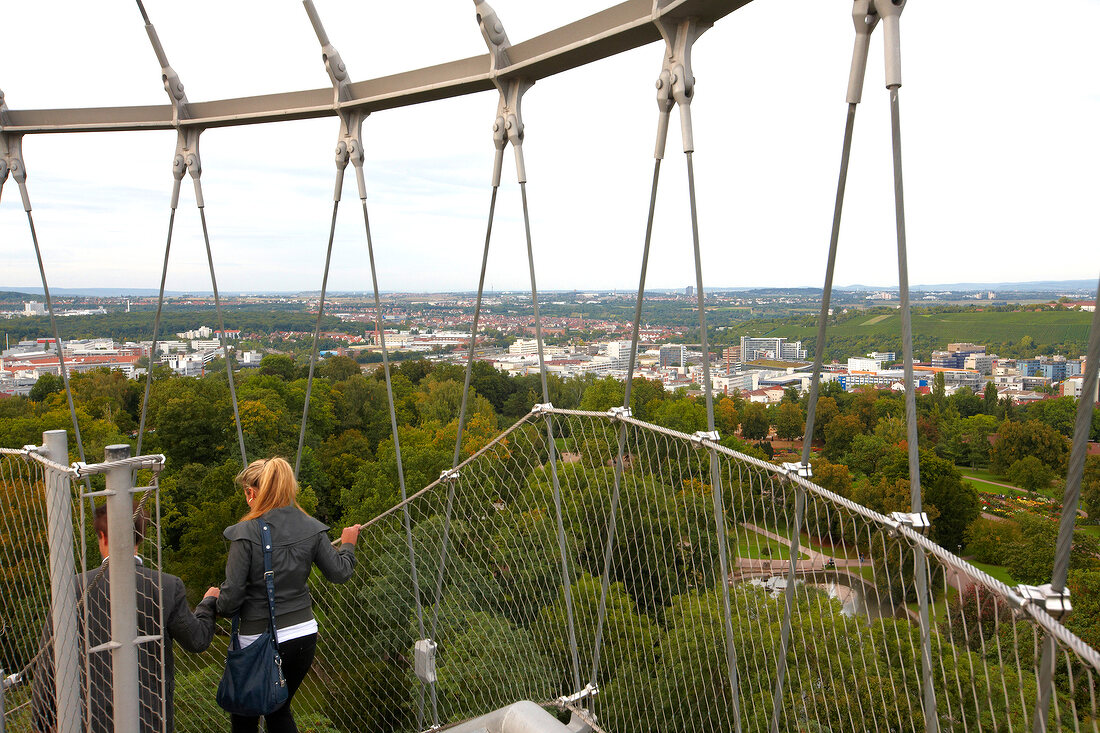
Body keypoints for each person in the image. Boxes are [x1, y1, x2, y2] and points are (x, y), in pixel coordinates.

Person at [32, 503, 219, 733]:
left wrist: (42, 721)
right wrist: (208, 603)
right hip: (150, 716)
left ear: (102, 536)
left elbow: (49, 662)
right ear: (140, 536)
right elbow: (197, 639)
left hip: (89, 718)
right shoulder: (165, 587)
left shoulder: (74, 589)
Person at [217, 457, 360, 733]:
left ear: (251, 493)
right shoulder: (311, 526)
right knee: (278, 709)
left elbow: (230, 600)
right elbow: (340, 573)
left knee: (245, 715)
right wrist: (349, 546)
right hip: (304, 637)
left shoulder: (245, 533)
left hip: (260, 642)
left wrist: (212, 600)